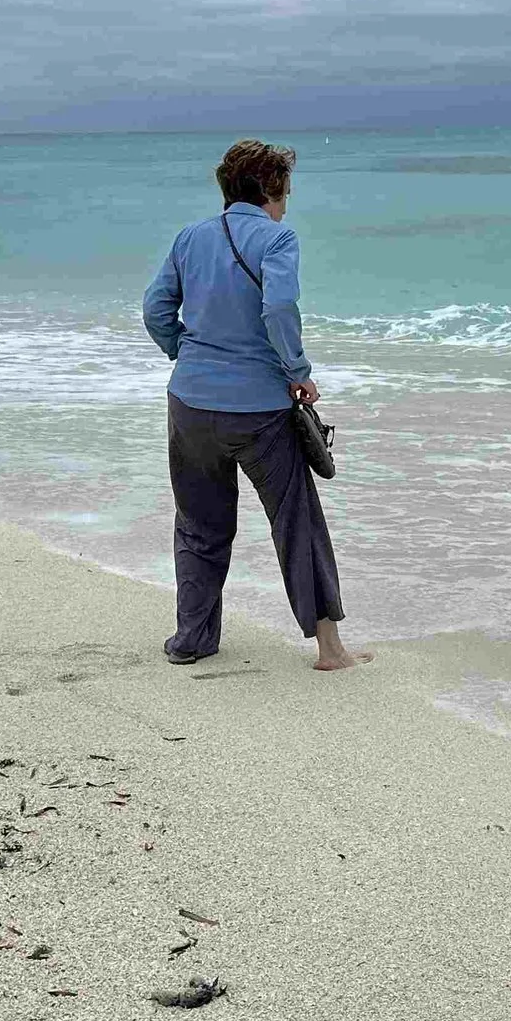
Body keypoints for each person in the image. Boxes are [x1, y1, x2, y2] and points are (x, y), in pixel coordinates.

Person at [142, 139, 366, 673]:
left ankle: (192, 641)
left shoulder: (190, 237)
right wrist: (298, 373)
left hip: (190, 404)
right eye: (285, 189)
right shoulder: (277, 237)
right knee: (297, 523)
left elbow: (155, 310)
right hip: (260, 411)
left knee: (199, 525)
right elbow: (280, 306)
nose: (287, 201)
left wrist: (188, 352)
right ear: (269, 188)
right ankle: (330, 651)